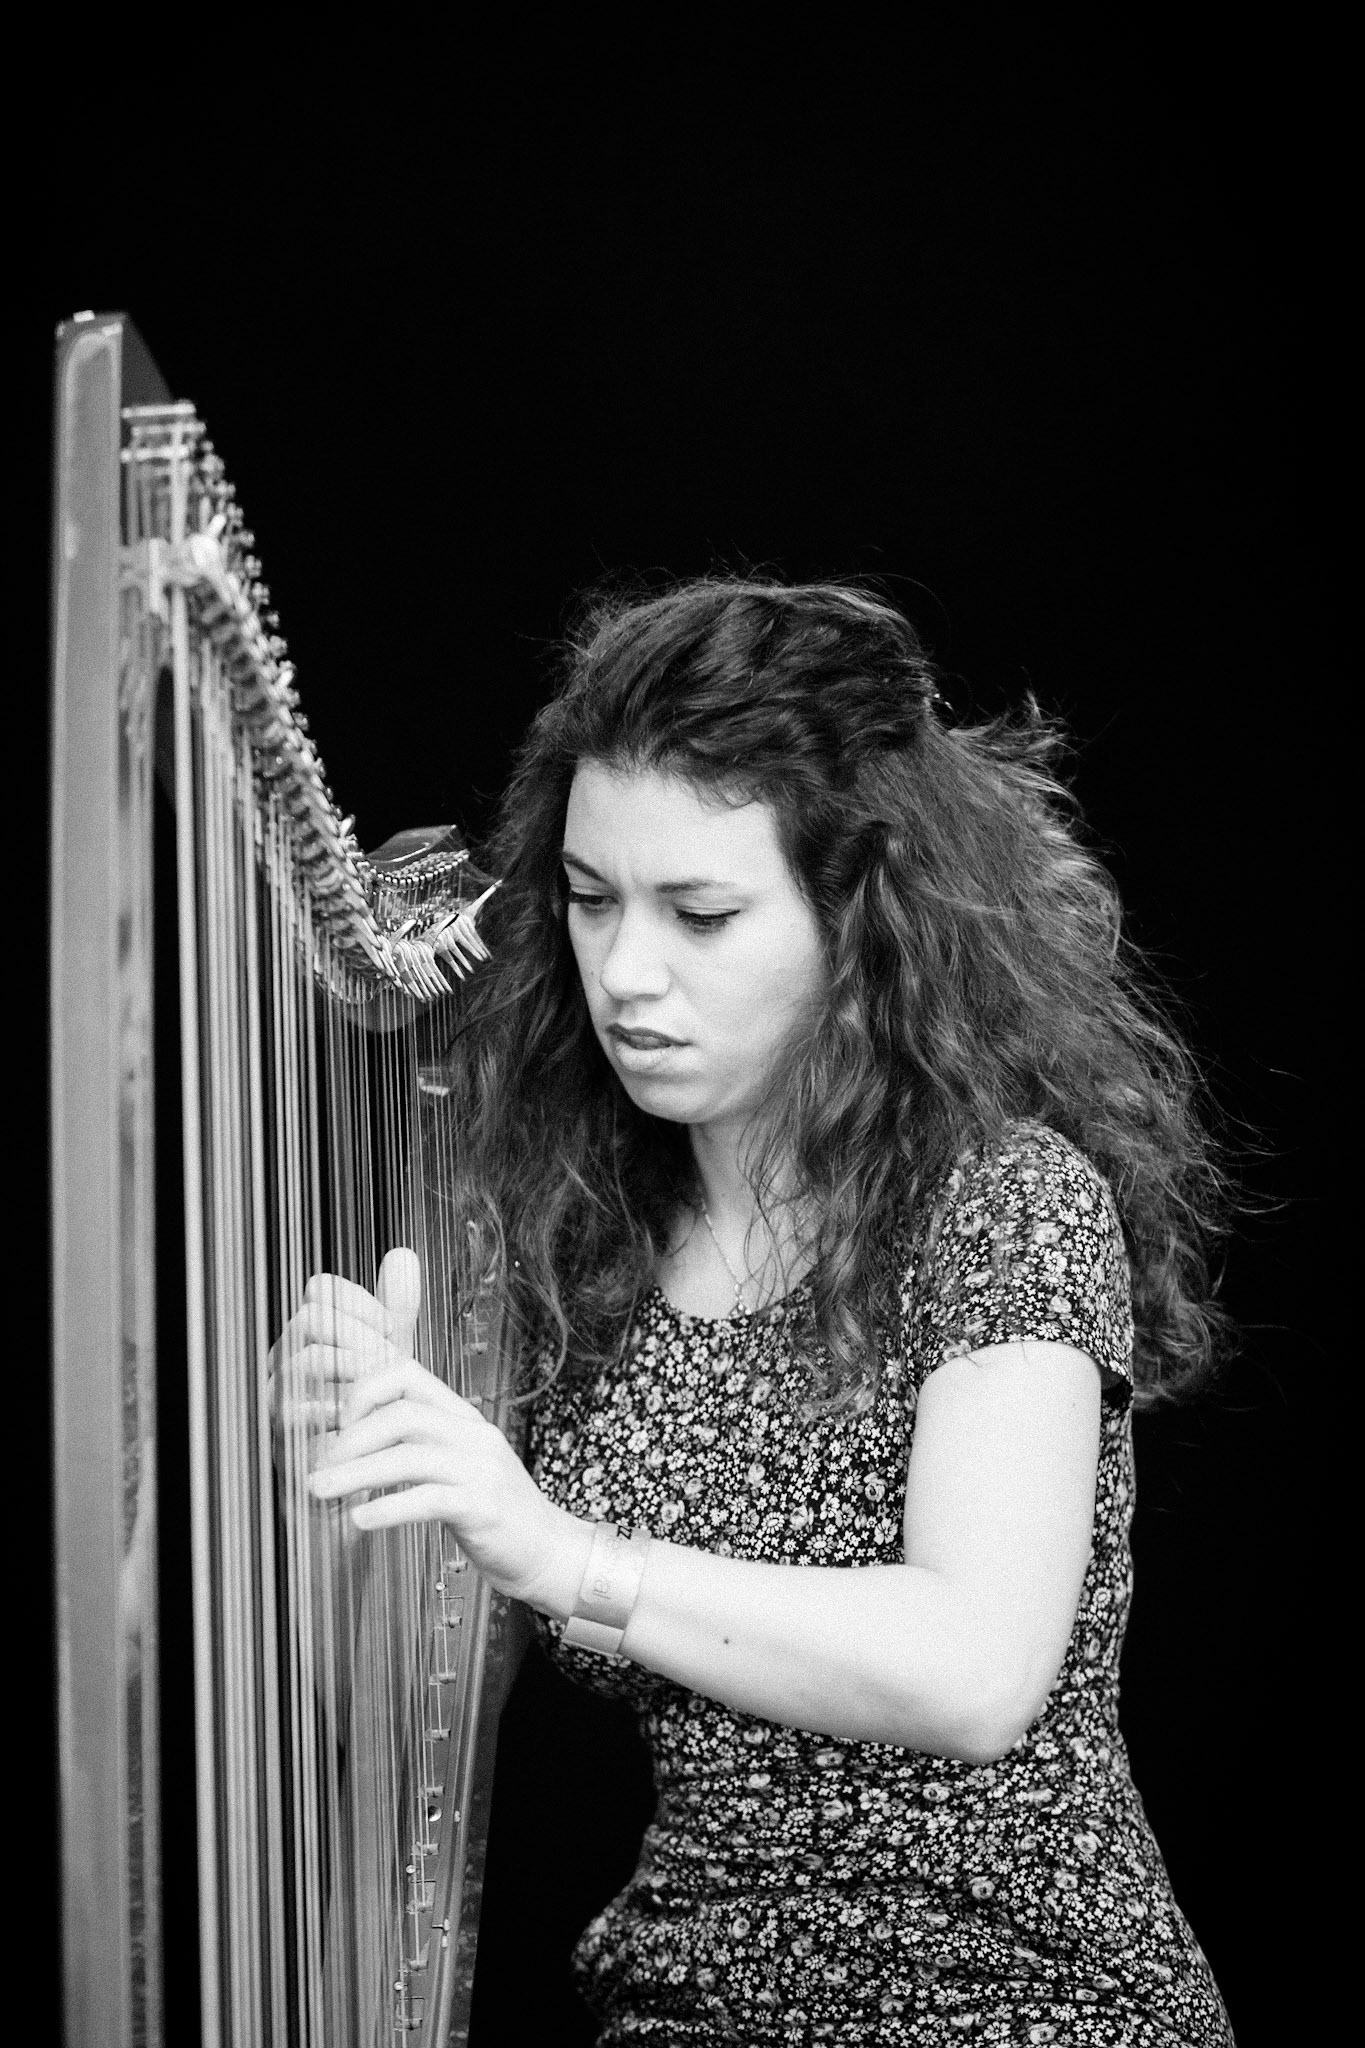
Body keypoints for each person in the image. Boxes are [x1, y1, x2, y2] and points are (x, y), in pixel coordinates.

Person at [289, 580, 1236, 2045]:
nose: (625, 973)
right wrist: (345, 1476)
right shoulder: (574, 1238)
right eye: (590, 900)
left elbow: (975, 1670)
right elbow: (391, 1715)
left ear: (860, 921)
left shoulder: (1002, 1204)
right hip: (684, 2004)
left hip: (1011, 2001)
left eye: (701, 914)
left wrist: (567, 1553)